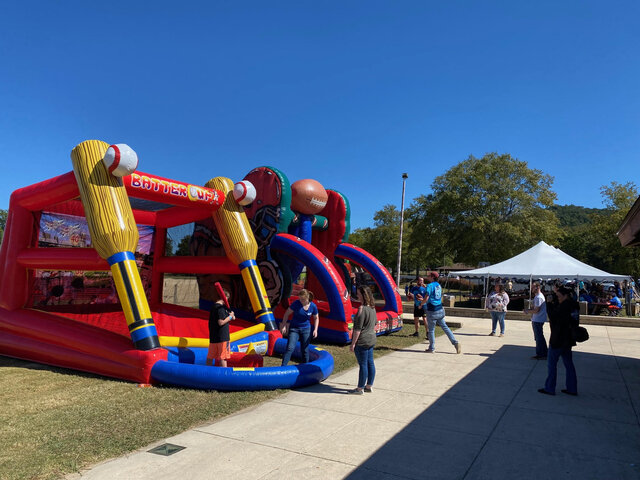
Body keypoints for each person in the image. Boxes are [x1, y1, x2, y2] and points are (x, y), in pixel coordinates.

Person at [538, 285, 578, 396]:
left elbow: (553, 317)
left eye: (559, 296)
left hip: (558, 339)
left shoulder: (563, 307)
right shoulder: (573, 306)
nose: (558, 298)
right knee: (569, 365)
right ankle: (572, 388)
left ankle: (550, 388)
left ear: (565, 296)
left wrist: (549, 304)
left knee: (552, 365)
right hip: (568, 340)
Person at [420, 271, 461, 354]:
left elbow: (427, 298)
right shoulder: (438, 285)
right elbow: (434, 295)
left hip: (432, 310)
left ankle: (431, 348)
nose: (427, 277)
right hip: (440, 309)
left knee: (431, 330)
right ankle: (455, 342)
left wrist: (421, 304)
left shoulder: (430, 285)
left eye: (429, 276)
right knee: (445, 328)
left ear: (432, 277)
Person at [348, 285, 377, 395]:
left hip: (362, 340)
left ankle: (360, 388)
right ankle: (369, 386)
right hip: (371, 338)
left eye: (359, 294)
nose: (357, 296)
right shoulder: (373, 308)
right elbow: (374, 323)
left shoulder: (361, 309)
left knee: (363, 365)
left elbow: (357, 329)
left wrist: (353, 344)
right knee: (370, 363)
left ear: (364, 295)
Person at [280, 289, 319, 366]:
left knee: (305, 349)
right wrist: (284, 325)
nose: (301, 301)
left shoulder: (313, 306)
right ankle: (283, 367)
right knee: (290, 348)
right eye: (300, 299)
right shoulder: (296, 304)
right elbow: (286, 314)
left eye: (303, 299)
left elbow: (316, 318)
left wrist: (315, 330)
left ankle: (305, 367)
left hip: (306, 329)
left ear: (307, 298)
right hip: (294, 329)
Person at [206, 288, 234, 367]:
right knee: (223, 357)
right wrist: (230, 317)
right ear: (224, 298)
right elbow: (221, 322)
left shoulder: (214, 307)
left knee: (210, 357)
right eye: (227, 299)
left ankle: (207, 373)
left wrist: (231, 316)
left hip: (214, 337)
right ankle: (224, 376)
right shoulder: (220, 308)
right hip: (222, 337)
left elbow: (227, 317)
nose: (227, 301)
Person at [524, 282, 548, 359]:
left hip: (538, 320)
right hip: (537, 319)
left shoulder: (538, 297)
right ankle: (543, 353)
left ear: (537, 287)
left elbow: (536, 310)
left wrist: (527, 311)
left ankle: (541, 354)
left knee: (539, 337)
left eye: (532, 287)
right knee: (539, 337)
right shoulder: (538, 297)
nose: (531, 289)